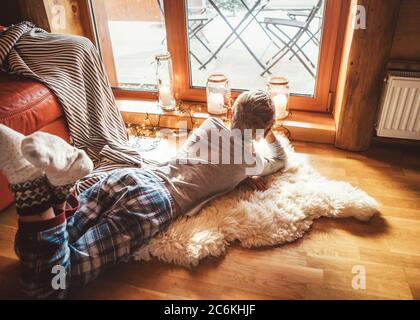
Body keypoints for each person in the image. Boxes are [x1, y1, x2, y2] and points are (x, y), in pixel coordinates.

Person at [0, 90, 287, 298]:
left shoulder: (209, 127)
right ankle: (35, 188)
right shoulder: (248, 163)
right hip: (154, 202)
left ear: (229, 113)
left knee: (60, 236)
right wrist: (266, 141)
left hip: (132, 176)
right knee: (51, 286)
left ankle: (59, 192)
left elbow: (210, 162)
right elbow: (280, 159)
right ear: (266, 128)